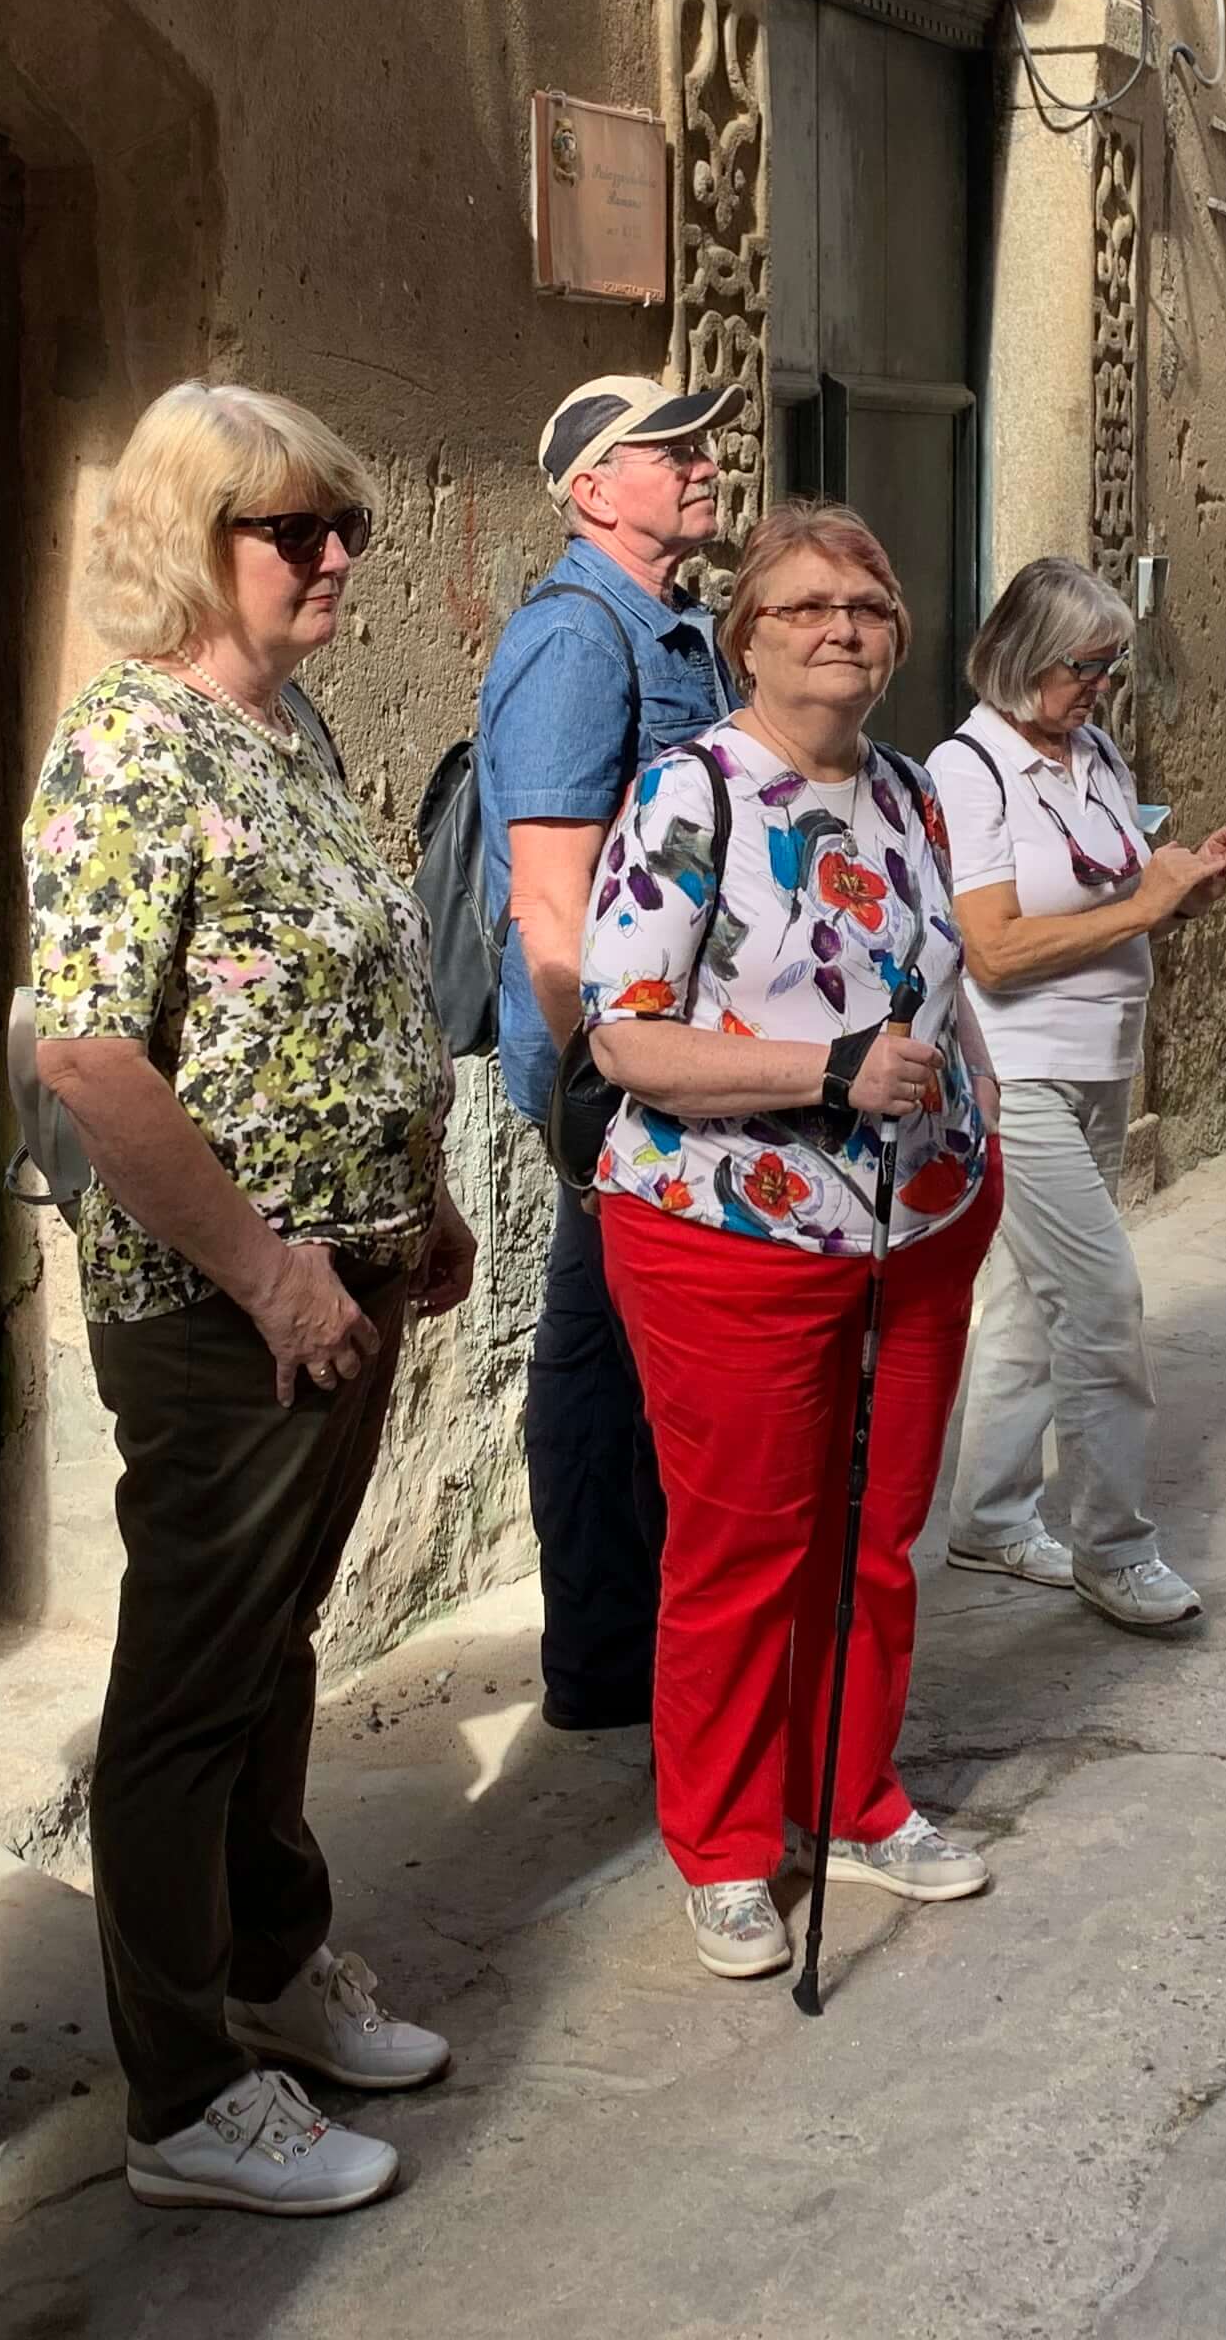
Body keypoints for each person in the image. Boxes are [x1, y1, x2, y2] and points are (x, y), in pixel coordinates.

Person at [26, 383, 481, 2216]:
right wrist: (274, 1270)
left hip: (342, 1273)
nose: (338, 555)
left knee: (271, 1643)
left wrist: (419, 1198)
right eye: (296, 529)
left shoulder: (282, 728)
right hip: (223, 1305)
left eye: (343, 523)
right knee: (189, 1684)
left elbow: (348, 994)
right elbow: (90, 1057)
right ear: (189, 541)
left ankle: (270, 1964)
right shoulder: (129, 746)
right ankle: (185, 2092)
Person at [581, 504, 1004, 1979]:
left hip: (917, 1228)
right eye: (807, 606)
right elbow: (626, 1041)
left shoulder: (911, 791)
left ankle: (853, 1793)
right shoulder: (689, 793)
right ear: (746, 636)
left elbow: (943, 987)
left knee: (877, 1538)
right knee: (747, 1549)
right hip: (728, 1234)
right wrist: (828, 1073)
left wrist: (980, 1139)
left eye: (869, 608)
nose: (842, 629)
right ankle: (726, 1841)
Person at [474, 371, 736, 1732]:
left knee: (627, 1349)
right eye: (668, 449)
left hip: (663, 1056)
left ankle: (620, 1649)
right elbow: (548, 899)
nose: (702, 462)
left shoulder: (674, 623)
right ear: (592, 490)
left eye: (703, 443)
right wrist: (604, 1077)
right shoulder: (581, 639)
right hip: (620, 1071)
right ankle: (601, 1655)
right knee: (601, 1350)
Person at [931, 555, 1226, 1631]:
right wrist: (1147, 907)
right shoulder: (969, 768)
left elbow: (1125, 890)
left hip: (1103, 1060)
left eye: (1111, 667)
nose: (1102, 686)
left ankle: (989, 1518)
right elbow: (994, 949)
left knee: (1034, 1299)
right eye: (1086, 667)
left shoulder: (1095, 751)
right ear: (1025, 658)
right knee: (1104, 1302)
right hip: (1018, 1069)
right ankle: (1116, 1547)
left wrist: (1186, 888)